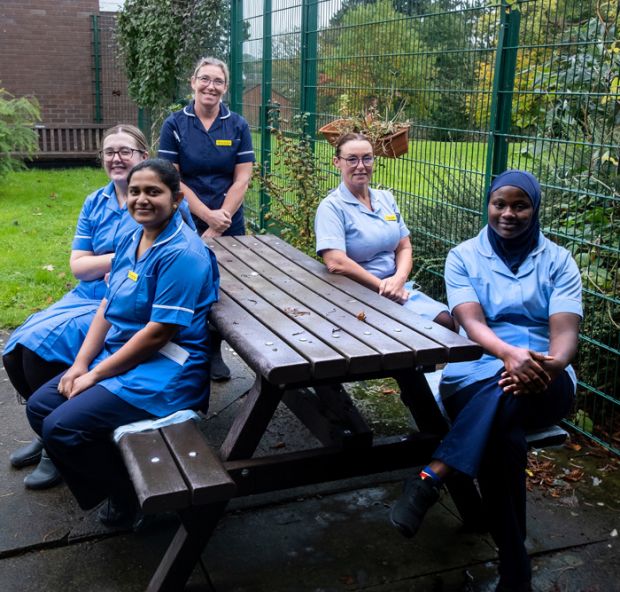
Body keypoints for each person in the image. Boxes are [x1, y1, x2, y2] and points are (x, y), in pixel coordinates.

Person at [389, 170, 582, 592]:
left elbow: (565, 332)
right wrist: (509, 355)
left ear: (535, 208)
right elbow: (471, 323)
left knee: (503, 412)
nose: (508, 214)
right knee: (503, 440)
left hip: (546, 377)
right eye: (500, 204)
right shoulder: (463, 256)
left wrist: (551, 365)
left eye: (520, 205)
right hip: (477, 370)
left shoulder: (558, 261)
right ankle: (516, 570)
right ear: (489, 206)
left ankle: (432, 475)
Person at [26, 158, 220, 526]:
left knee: (62, 428)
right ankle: (119, 478)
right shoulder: (132, 236)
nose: (141, 199)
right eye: (135, 191)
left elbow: (159, 333)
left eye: (153, 192)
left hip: (166, 370)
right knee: (40, 408)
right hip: (125, 356)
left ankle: (129, 496)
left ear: (176, 199)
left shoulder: (183, 253)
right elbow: (106, 302)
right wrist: (81, 364)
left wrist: (95, 375)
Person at [3, 125, 150, 490]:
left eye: (125, 151)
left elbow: (154, 261)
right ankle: (44, 428)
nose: (116, 158)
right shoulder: (94, 201)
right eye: (109, 151)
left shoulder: (152, 199)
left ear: (142, 157)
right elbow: (78, 266)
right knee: (17, 348)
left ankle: (56, 446)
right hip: (85, 293)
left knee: (39, 350)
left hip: (121, 300)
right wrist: (120, 260)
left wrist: (112, 265)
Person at [158, 56, 255, 381]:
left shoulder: (237, 125)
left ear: (225, 87)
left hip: (229, 221)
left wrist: (221, 218)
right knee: (186, 284)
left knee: (225, 288)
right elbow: (173, 179)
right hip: (186, 219)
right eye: (205, 79)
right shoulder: (175, 124)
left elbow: (242, 178)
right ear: (193, 82)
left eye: (217, 81)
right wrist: (206, 217)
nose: (210, 86)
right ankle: (182, 351)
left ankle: (214, 352)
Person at [314, 133, 454, 330]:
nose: (361, 166)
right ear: (337, 162)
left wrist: (398, 280)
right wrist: (383, 287)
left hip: (396, 288)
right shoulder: (332, 207)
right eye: (352, 159)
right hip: (356, 293)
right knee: (412, 333)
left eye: (367, 158)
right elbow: (336, 262)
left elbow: (404, 246)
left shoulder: (385, 198)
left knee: (447, 322)